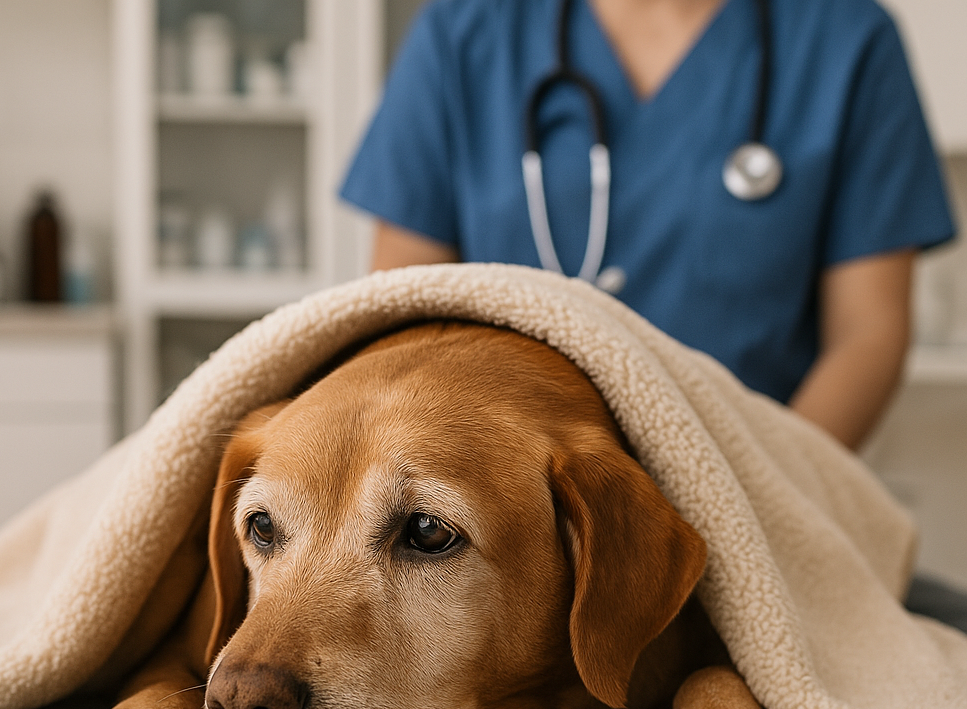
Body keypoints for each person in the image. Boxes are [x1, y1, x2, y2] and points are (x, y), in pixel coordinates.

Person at [340, 0, 956, 451]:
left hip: (757, 482)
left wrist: (767, 501)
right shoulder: (465, 30)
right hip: (509, 496)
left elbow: (868, 336)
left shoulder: (848, 41)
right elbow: (402, 317)